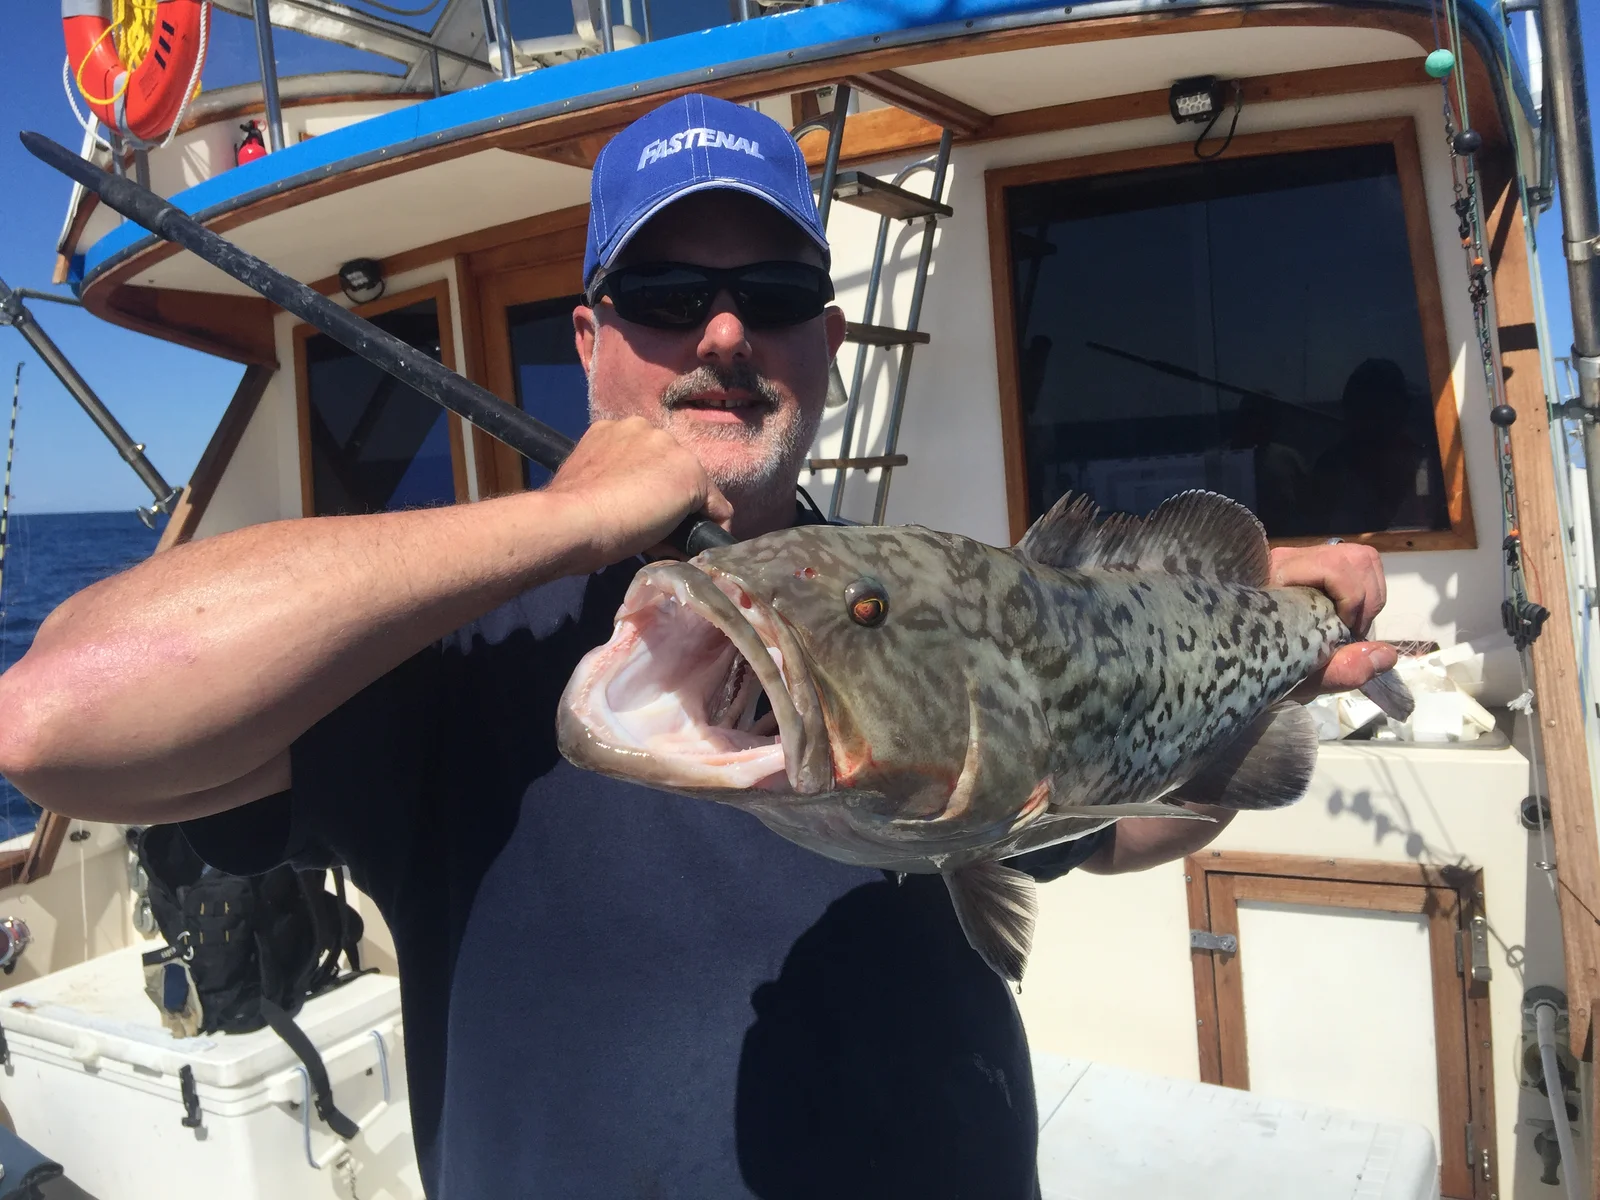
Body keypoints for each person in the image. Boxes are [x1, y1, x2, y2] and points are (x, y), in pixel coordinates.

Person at [0, 95, 1394, 1198]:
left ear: (826, 341)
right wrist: (565, 518)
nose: (724, 331)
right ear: (590, 339)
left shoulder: (920, 602)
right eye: (666, 293)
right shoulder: (453, 649)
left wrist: (1266, 684)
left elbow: (1095, 826)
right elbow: (55, 718)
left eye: (773, 291)